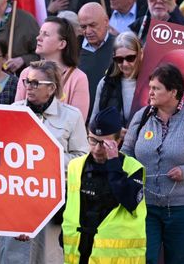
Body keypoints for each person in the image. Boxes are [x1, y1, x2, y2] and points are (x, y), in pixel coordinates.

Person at [122, 63, 184, 264]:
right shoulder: (142, 117)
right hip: (145, 205)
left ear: (173, 92)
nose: (150, 93)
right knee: (145, 258)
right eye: (150, 88)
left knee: (178, 259)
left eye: (156, 88)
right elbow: (126, 151)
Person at [2, 61, 88, 264]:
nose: (28, 87)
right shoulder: (13, 111)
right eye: (26, 82)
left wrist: (45, 158)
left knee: (48, 257)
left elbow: (82, 158)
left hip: (52, 202)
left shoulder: (71, 116)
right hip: (16, 199)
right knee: (13, 257)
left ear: (51, 88)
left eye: (34, 83)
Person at [62, 107, 147, 264]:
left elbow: (130, 201)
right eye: (92, 140)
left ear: (118, 141)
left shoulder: (133, 168)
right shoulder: (76, 166)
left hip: (114, 258)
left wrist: (114, 162)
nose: (97, 149)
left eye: (104, 143)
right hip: (79, 252)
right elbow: (66, 207)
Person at [15, 17, 91, 120]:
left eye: (45, 34)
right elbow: (17, 114)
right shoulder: (26, 73)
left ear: (62, 44)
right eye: (40, 33)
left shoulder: (78, 78)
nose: (38, 38)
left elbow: (78, 122)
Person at [92, 32, 144, 127]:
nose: (125, 64)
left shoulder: (151, 83)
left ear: (141, 54)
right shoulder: (105, 83)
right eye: (119, 59)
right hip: (110, 140)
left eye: (130, 58)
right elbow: (94, 122)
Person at [78, 2, 116, 104]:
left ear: (106, 21)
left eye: (92, 25)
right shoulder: (73, 47)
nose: (88, 31)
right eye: (83, 27)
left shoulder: (119, 47)